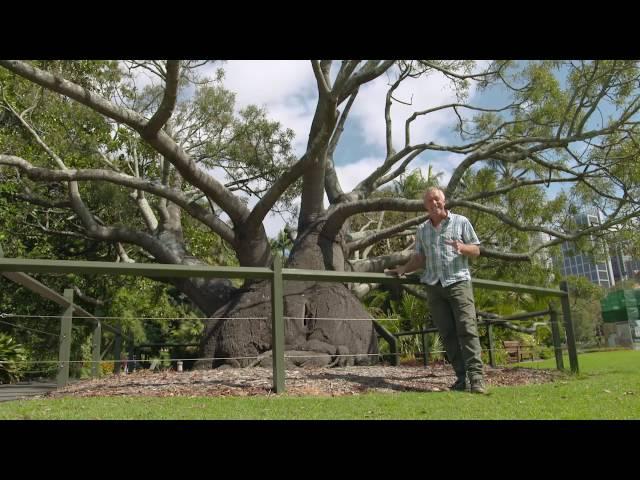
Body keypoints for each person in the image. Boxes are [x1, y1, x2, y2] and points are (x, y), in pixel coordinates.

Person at [387, 187, 486, 394]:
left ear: (444, 201)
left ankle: (477, 379)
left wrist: (462, 248)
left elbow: (476, 250)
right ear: (425, 206)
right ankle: (461, 379)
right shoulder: (422, 230)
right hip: (434, 287)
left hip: (458, 283)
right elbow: (420, 258)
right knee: (448, 334)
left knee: (467, 330)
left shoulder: (461, 222)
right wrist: (404, 269)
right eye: (429, 201)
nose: (434, 203)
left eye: (437, 199)